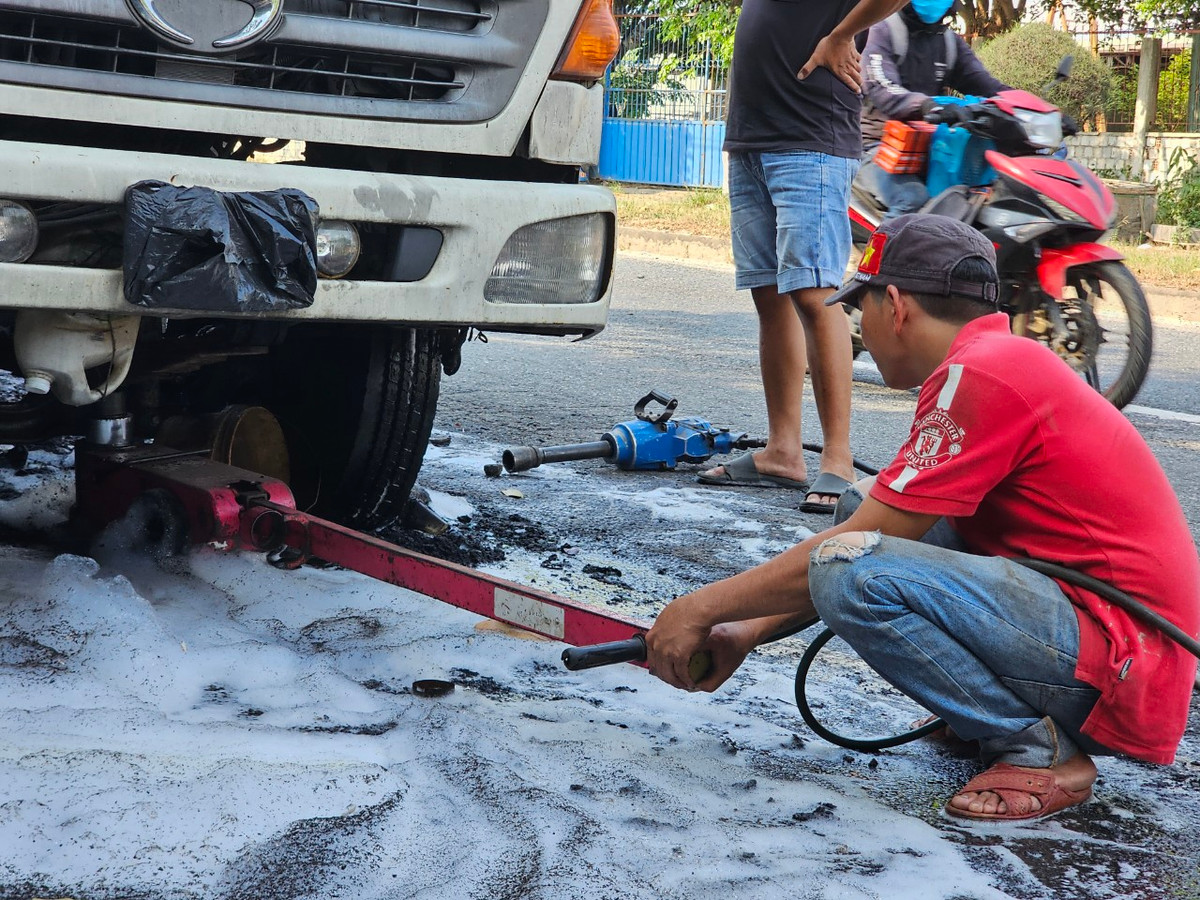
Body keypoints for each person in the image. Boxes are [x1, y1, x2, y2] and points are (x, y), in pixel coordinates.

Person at [647, 214, 1200, 822]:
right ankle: (993, 718)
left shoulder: (983, 373)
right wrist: (744, 631)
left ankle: (1039, 752)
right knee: (863, 508)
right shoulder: (997, 357)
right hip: (1111, 641)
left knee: (849, 564)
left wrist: (697, 609)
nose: (861, 328)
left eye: (860, 309)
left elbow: (855, 554)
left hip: (1125, 666)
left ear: (895, 304)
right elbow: (879, 524)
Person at [697, 0, 911, 515]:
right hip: (752, 136)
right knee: (769, 295)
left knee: (816, 295)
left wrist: (842, 34)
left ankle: (837, 458)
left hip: (809, 138)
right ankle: (783, 450)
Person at [857, 0, 1008, 218]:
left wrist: (1034, 108)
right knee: (911, 199)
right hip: (877, 147)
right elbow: (882, 87)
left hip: (932, 148)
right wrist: (927, 105)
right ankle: (888, 251)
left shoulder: (949, 43)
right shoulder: (882, 30)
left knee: (981, 197)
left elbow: (989, 86)